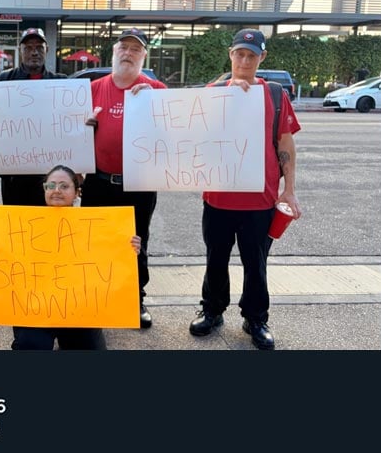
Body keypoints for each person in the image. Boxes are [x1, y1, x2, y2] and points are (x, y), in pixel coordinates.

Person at [189, 28, 302, 350]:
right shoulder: (212, 92)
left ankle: (256, 318)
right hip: (218, 197)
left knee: (256, 264)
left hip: (260, 200)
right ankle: (212, 310)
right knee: (216, 259)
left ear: (261, 57)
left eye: (251, 55)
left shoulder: (275, 94)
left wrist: (289, 190)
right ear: (230, 54)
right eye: (239, 53)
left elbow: (286, 145)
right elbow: (189, 132)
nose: (244, 59)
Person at [0, 165, 141, 350]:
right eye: (51, 186)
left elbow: (114, 267)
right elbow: (6, 265)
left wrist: (129, 249)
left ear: (77, 192)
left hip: (81, 309)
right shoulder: (21, 224)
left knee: (88, 347)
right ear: (44, 189)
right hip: (34, 309)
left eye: (64, 186)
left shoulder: (98, 226)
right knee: (30, 344)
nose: (56, 191)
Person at [83, 28, 167, 329]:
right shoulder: (93, 89)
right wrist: (84, 126)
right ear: (114, 52)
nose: (128, 53)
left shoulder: (156, 89)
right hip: (99, 181)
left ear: (144, 56)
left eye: (136, 49)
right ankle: (97, 296)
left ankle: (135, 299)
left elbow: (175, 134)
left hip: (140, 183)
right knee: (95, 241)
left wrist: (155, 106)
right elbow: (71, 135)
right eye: (124, 47)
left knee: (136, 242)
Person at [0, 28, 67, 206]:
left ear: (47, 50)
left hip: (51, 174)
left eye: (39, 47)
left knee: (48, 225)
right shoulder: (4, 81)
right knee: (16, 224)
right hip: (13, 173)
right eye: (28, 47)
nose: (34, 52)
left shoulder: (62, 83)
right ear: (20, 51)